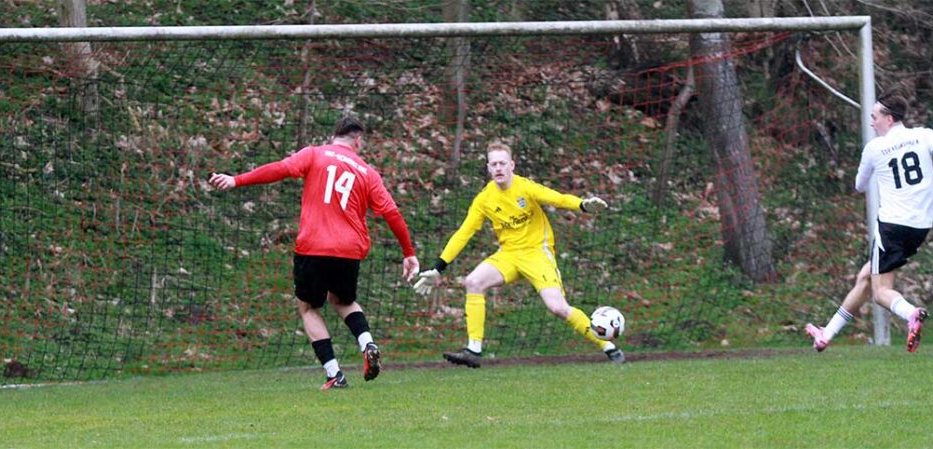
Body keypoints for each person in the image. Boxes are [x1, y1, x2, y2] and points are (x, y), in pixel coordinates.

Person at [209, 115, 420, 389]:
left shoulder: (314, 154)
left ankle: (334, 374)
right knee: (343, 300)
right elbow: (392, 213)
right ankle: (367, 343)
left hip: (314, 245)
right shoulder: (367, 172)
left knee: (308, 307)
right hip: (349, 249)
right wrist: (408, 252)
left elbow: (279, 169)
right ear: (358, 140)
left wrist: (237, 180)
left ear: (335, 136)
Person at [413, 141, 624, 367]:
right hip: (509, 255)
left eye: (502, 163)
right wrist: (438, 267)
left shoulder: (525, 187)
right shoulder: (484, 200)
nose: (498, 168)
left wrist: (582, 205)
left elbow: (557, 198)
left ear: (512, 165)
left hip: (537, 254)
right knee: (473, 282)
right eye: (494, 164)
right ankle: (474, 350)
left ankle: (608, 346)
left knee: (558, 308)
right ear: (488, 168)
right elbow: (463, 233)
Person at [805, 91, 933, 353]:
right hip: (920, 227)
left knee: (880, 292)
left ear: (889, 118)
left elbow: (859, 185)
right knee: (866, 276)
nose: (872, 122)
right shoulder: (923, 134)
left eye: (875, 117)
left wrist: (878, 168)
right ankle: (825, 334)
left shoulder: (875, 148)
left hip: (891, 226)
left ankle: (912, 313)